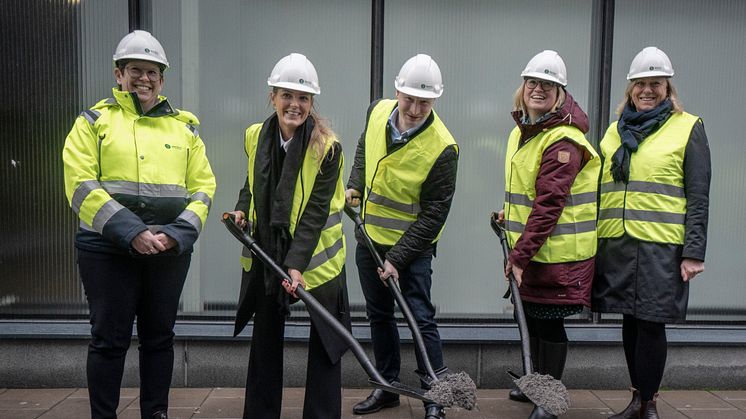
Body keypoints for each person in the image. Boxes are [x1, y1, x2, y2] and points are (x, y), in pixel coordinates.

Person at [62, 30, 216, 419]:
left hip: (167, 252)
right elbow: (80, 184)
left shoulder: (185, 128)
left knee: (159, 339)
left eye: (152, 72)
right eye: (135, 70)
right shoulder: (93, 122)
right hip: (107, 251)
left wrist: (174, 235)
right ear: (119, 74)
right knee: (108, 340)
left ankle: (155, 414)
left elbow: (203, 189)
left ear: (162, 79)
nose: (144, 79)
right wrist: (132, 232)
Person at [227, 53, 349, 419]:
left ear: (312, 103)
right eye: (287, 96)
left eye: (303, 98)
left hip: (318, 261)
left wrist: (296, 266)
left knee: (327, 344)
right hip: (268, 252)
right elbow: (252, 182)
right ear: (273, 96)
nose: (294, 105)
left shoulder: (327, 148)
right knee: (265, 341)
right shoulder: (255, 136)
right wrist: (241, 211)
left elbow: (313, 214)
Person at [592, 46, 711, 419]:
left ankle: (650, 403)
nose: (647, 90)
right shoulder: (614, 132)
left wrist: (694, 251)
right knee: (629, 322)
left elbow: (699, 194)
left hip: (662, 246)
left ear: (668, 88)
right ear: (629, 89)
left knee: (651, 323)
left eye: (655, 83)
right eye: (640, 84)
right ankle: (634, 399)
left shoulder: (688, 127)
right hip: (618, 242)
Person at [346, 54, 459, 419]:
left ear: (435, 100)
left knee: (419, 318)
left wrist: (397, 258)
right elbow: (364, 149)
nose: (413, 109)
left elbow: (434, 214)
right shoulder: (378, 111)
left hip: (412, 251)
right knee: (379, 316)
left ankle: (435, 397)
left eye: (423, 102)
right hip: (369, 239)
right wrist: (354, 185)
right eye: (408, 98)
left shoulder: (443, 146)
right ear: (396, 90)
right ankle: (387, 386)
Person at [496, 50, 600, 419]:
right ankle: (536, 385)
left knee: (550, 322)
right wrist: (507, 216)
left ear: (560, 92)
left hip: (558, 255)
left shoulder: (563, 140)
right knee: (534, 320)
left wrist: (519, 256)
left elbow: (550, 205)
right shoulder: (524, 130)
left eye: (547, 84)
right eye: (532, 82)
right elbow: (526, 192)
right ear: (523, 87)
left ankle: (550, 399)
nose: (537, 89)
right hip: (532, 249)